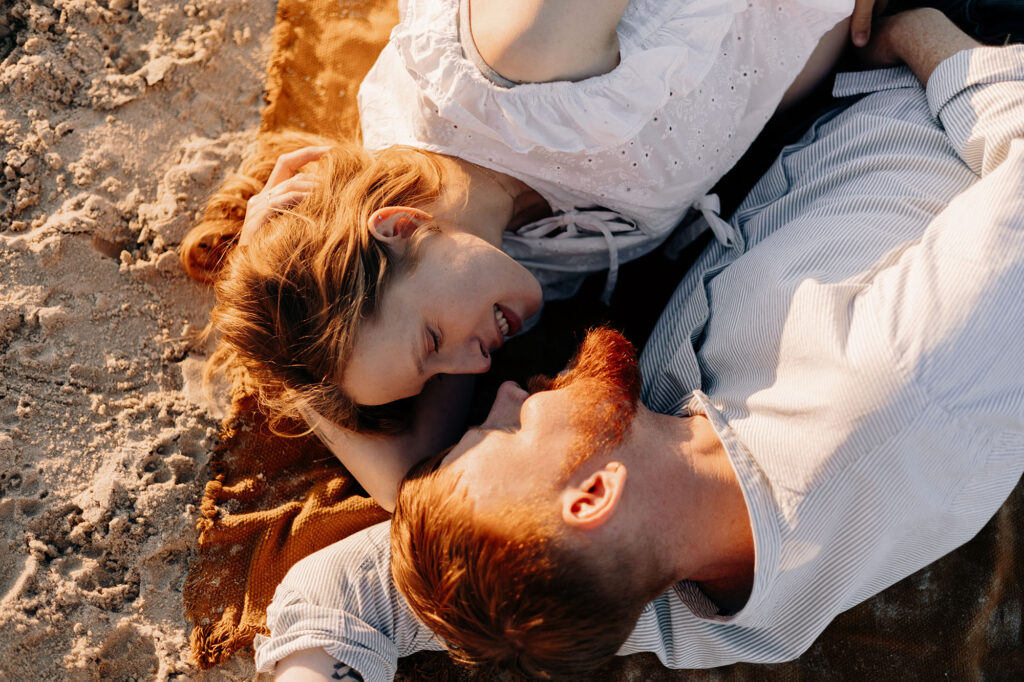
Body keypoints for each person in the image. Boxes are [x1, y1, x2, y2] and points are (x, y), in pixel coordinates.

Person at [254, 8, 1024, 680]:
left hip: (805, 111)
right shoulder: (901, 378)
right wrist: (919, 30)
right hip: (963, 67)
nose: (505, 393)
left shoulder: (620, 567)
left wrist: (288, 330)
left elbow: (346, 594)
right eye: (504, 431)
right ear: (592, 495)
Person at [181, 0, 863, 508]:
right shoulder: (506, 257)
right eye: (436, 369)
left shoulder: (520, 61)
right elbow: (409, 480)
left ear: (399, 225)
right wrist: (295, 377)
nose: (474, 367)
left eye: (433, 342)